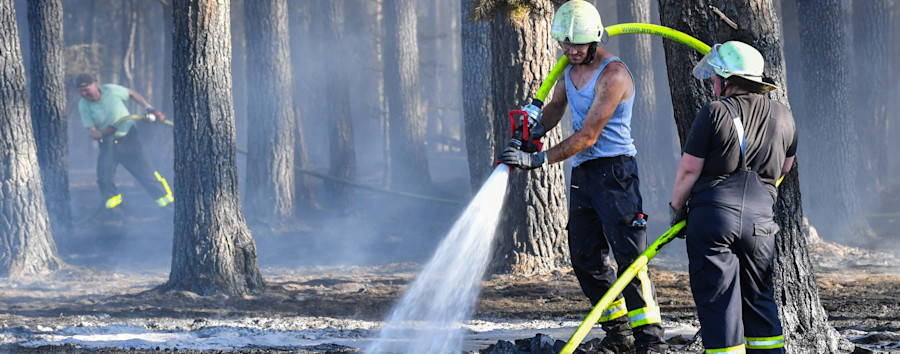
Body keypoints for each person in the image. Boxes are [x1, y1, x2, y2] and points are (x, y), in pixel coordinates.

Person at [499, 1, 666, 352]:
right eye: (565, 44)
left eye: (578, 44)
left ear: (595, 40)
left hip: (616, 173)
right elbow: (557, 107)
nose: (571, 51)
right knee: (585, 258)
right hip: (585, 174)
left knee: (630, 260)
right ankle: (618, 332)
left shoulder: (613, 75)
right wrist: (530, 132)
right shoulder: (569, 71)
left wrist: (538, 159)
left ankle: (650, 342)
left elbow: (589, 135)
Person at [668, 41, 796, 353]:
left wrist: (677, 209)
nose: (711, 82)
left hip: (713, 217)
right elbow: (786, 166)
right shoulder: (784, 116)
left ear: (727, 79)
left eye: (714, 76)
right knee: (760, 297)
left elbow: (688, 170)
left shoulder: (715, 112)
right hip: (761, 223)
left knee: (719, 300)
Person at [75, 73, 173, 215]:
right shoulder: (83, 105)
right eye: (81, 91)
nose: (84, 93)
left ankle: (170, 208)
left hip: (130, 140)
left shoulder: (111, 90)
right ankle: (116, 213)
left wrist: (149, 108)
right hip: (108, 144)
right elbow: (92, 133)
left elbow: (131, 93)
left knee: (148, 175)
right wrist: (104, 133)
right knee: (104, 178)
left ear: (95, 84)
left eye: (86, 89)